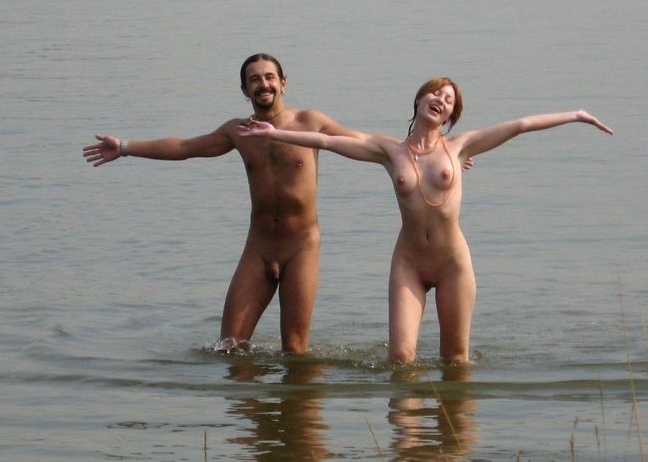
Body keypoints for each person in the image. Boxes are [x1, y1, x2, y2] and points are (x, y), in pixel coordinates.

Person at [238, 76, 613, 363]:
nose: (440, 100)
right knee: (400, 359)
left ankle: (452, 433)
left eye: (448, 101)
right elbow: (327, 142)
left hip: (452, 263)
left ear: (450, 117)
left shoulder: (460, 147)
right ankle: (408, 434)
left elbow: (522, 124)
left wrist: (576, 116)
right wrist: (276, 132)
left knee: (455, 360)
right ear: (418, 100)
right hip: (409, 263)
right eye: (435, 93)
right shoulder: (389, 151)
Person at [82, 53, 373, 354]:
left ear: (283, 83)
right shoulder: (238, 132)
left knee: (295, 350)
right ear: (245, 90)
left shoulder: (310, 122)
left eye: (270, 77)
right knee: (228, 349)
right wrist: (125, 147)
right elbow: (184, 147)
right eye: (254, 79)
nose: (263, 84)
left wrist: (403, 149)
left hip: (301, 246)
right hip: (259, 248)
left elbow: (360, 141)